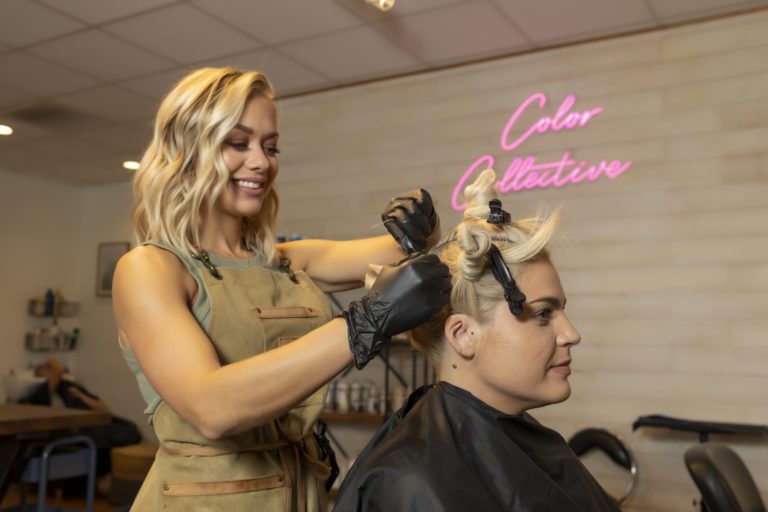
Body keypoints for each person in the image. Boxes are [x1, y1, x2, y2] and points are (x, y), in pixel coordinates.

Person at [112, 66, 451, 511]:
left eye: (270, 146)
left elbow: (403, 251)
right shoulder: (150, 268)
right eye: (238, 143)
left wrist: (422, 222)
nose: (261, 161)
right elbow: (211, 408)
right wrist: (365, 324)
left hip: (298, 492)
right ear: (187, 150)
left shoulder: (287, 262)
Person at [334, 169, 620, 512]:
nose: (572, 334)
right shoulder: (409, 482)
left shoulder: (531, 442)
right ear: (463, 335)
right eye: (544, 314)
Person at [22, 357, 142, 493]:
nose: (51, 372)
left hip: (89, 426)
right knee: (96, 438)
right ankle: (99, 482)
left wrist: (80, 395)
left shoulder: (67, 386)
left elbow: (102, 408)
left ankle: (104, 480)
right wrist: (55, 368)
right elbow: (57, 371)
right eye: (47, 369)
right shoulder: (39, 393)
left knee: (127, 429)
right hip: (69, 432)